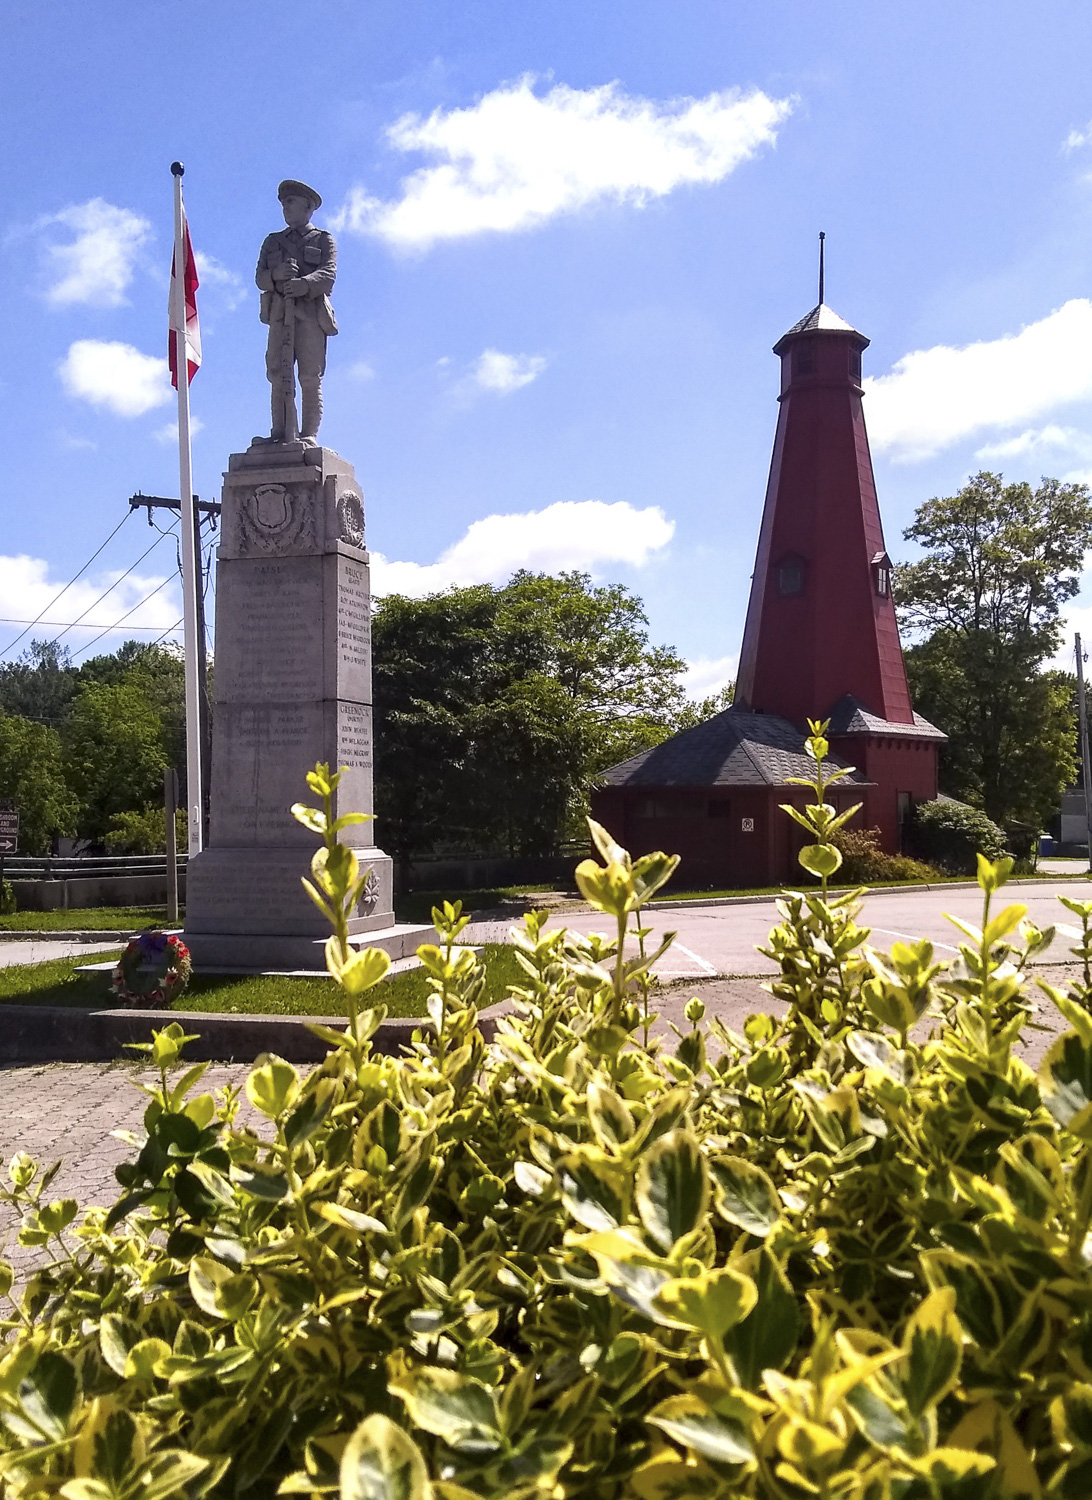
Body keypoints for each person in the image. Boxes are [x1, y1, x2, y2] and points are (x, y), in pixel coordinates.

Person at [255, 179, 337, 445]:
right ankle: (280, 432)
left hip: (310, 315)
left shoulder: (323, 240)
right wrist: (276, 275)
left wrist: (304, 284)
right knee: (278, 373)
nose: (286, 208)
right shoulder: (272, 242)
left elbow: (328, 274)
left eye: (291, 202)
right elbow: (260, 278)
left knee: (309, 376)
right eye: (283, 204)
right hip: (279, 315)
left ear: (308, 207)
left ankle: (309, 434)